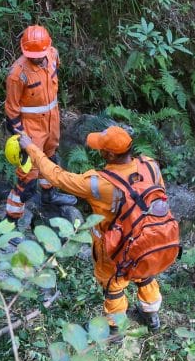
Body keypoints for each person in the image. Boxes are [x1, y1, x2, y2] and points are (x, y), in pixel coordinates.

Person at [19, 126, 165, 333]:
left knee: (113, 285)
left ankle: (114, 329)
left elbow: (57, 177)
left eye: (101, 149)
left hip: (115, 247)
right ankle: (152, 316)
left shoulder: (100, 183)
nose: (99, 152)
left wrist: (31, 148)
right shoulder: (150, 165)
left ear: (110, 154)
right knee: (145, 274)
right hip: (149, 239)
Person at [3, 25, 75, 226]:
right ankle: (8, 225)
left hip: (52, 120)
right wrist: (20, 137)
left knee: (51, 159)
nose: (37, 58)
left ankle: (49, 195)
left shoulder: (52, 55)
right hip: (31, 128)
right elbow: (11, 111)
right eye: (32, 55)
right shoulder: (18, 74)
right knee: (26, 178)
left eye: (39, 54)